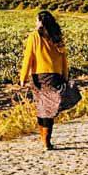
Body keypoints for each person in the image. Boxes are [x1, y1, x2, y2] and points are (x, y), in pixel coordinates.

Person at [20, 10, 69, 151]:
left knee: (42, 108)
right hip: (55, 75)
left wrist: (23, 77)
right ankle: (46, 140)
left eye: (37, 20)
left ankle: (44, 140)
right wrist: (65, 75)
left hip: (38, 76)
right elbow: (64, 58)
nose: (35, 23)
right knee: (49, 108)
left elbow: (28, 58)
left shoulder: (34, 37)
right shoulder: (57, 37)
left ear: (41, 22)